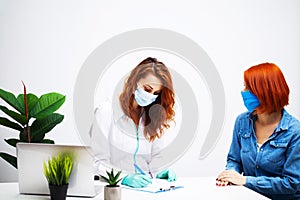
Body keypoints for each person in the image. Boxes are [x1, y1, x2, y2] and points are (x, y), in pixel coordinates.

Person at [90, 57, 177, 188]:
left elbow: (156, 157)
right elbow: (97, 162)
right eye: (147, 89)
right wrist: (124, 178)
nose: (151, 96)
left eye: (156, 93)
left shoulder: (153, 116)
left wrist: (160, 171)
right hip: (115, 189)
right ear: (135, 81)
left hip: (147, 189)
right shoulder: (107, 111)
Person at [216, 63, 300, 199]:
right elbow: (234, 160)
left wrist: (245, 180)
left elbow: (291, 183)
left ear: (265, 91)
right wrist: (230, 175)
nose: (243, 92)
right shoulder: (242, 121)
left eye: (248, 87)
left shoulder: (295, 131)